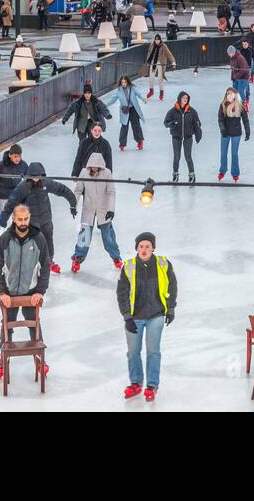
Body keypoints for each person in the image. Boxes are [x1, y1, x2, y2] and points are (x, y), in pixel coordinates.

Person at [0, 203, 51, 380]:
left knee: (35, 326)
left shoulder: (38, 238)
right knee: (6, 326)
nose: (23, 222)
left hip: (30, 292)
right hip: (9, 293)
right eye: (20, 219)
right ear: (14, 219)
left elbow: (45, 266)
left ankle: (40, 359)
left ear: (29, 218)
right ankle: (3, 358)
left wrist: (40, 291)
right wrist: (2, 292)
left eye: (25, 219)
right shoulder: (5, 239)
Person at [117, 232, 178, 401]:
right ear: (136, 248)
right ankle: (136, 383)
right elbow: (121, 293)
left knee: (153, 352)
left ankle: (152, 385)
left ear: (153, 248)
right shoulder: (128, 266)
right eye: (141, 246)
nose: (144, 250)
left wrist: (170, 309)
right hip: (134, 318)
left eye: (148, 246)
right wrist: (127, 316)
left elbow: (173, 286)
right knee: (133, 352)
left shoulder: (163, 264)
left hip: (155, 316)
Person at [0, 162, 78, 274]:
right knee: (29, 245)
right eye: (34, 176)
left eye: (38, 176)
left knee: (48, 242)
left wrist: (72, 203)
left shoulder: (46, 183)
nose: (36, 178)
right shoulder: (23, 187)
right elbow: (12, 202)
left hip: (46, 220)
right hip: (32, 223)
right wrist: (4, 217)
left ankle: (49, 262)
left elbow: (63, 190)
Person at [72, 152, 122, 272]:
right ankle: (78, 258)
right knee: (84, 235)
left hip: (104, 209)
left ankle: (116, 258)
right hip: (88, 208)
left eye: (97, 167)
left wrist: (111, 210)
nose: (95, 169)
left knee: (108, 237)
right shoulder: (84, 172)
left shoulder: (107, 173)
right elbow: (78, 190)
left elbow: (111, 192)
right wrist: (73, 205)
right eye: (93, 167)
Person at [0, 143, 28, 259]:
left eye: (19, 156)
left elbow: (28, 181)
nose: (18, 159)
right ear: (10, 155)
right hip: (2, 196)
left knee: (20, 219)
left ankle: (19, 244)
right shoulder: (1, 166)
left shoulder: (23, 165)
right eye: (15, 157)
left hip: (16, 197)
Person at [164, 91, 202, 184]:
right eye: (183, 98)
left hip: (188, 137)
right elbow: (166, 122)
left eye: (186, 98)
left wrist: (198, 135)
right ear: (179, 99)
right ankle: (175, 174)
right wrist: (172, 124)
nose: (185, 100)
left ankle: (192, 175)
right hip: (176, 137)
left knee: (188, 156)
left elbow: (197, 124)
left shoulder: (192, 111)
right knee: (176, 157)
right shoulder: (173, 111)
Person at [217, 86, 250, 182]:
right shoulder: (223, 105)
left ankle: (235, 174)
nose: (229, 95)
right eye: (227, 94)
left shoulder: (240, 106)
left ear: (235, 95)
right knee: (223, 153)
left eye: (231, 94)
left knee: (234, 153)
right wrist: (222, 130)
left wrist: (247, 131)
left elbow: (245, 120)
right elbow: (220, 119)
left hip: (236, 132)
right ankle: (222, 171)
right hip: (225, 133)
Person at [71, 121, 114, 186]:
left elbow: (108, 161)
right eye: (95, 130)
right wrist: (75, 174)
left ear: (101, 131)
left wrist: (108, 176)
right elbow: (79, 158)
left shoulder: (105, 144)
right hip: (86, 174)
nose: (97, 133)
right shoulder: (84, 143)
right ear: (91, 130)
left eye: (99, 131)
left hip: (100, 175)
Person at [114, 75, 146, 152]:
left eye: (125, 82)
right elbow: (113, 99)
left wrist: (143, 98)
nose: (123, 84)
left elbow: (139, 94)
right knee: (124, 127)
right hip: (125, 110)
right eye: (122, 82)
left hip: (133, 109)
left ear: (128, 82)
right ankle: (122, 144)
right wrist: (104, 105)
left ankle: (140, 141)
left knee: (136, 126)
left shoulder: (132, 88)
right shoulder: (119, 90)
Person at [144, 36, 176, 101]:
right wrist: (147, 61)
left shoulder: (163, 46)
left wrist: (173, 61)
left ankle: (161, 92)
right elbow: (149, 54)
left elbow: (169, 54)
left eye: (158, 40)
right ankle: (151, 90)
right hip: (153, 62)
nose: (157, 42)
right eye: (156, 40)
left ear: (160, 40)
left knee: (160, 78)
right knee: (151, 77)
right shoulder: (152, 45)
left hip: (161, 63)